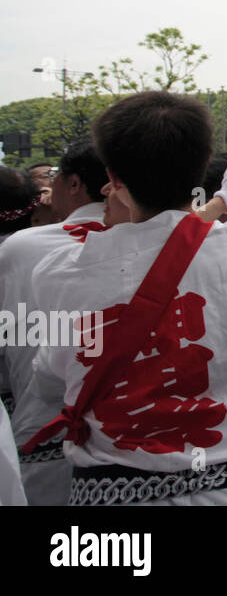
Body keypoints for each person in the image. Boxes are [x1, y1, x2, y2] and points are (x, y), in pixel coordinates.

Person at [23, 92, 227, 505]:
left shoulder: (59, 273)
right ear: (201, 164)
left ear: (113, 179)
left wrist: (222, 200)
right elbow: (186, 245)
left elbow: (52, 383)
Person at [0, 139, 109, 505]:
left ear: (75, 184)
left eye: (58, 176)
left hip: (40, 437)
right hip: (127, 450)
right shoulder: (157, 243)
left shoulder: (21, 248)